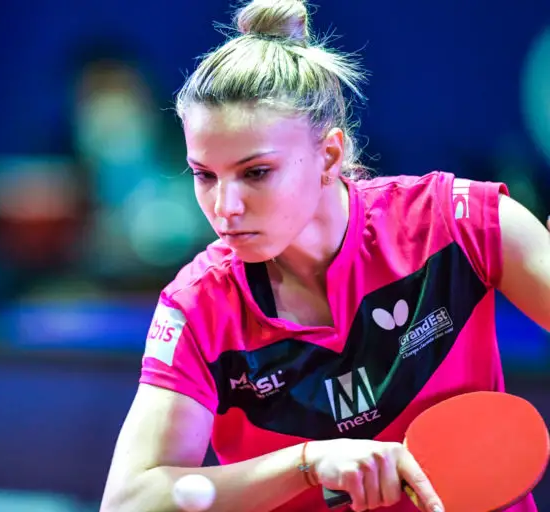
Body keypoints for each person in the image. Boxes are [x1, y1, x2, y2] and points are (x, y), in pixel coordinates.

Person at [99, 1, 550, 511]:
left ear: (329, 155)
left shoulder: (456, 222)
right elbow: (127, 502)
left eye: (256, 172)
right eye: (205, 175)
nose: (225, 207)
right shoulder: (199, 306)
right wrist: (308, 462)